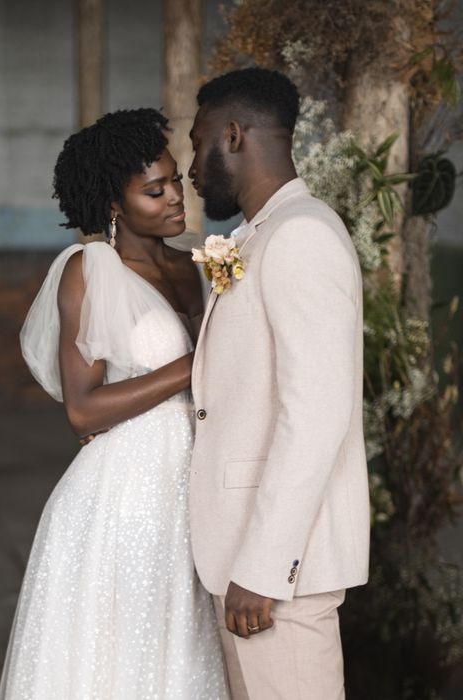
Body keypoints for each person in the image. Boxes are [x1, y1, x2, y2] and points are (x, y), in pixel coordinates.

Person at [0, 108, 228, 699]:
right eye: (155, 190)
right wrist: (195, 364)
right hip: (124, 498)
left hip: (196, 487)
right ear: (113, 205)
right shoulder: (90, 270)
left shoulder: (201, 264)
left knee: (182, 653)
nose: (177, 197)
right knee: (122, 663)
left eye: (175, 179)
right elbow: (83, 409)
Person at [187, 67, 370, 700]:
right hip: (248, 559)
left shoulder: (301, 237)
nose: (190, 165)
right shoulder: (263, 235)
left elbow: (316, 416)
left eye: (197, 141)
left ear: (233, 135)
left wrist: (265, 567)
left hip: (278, 574)